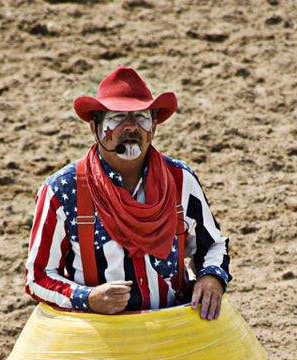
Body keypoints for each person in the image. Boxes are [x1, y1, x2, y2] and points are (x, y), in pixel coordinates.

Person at [25, 66, 231, 319]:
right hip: (99, 339)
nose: (131, 127)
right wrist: (87, 298)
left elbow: (211, 245)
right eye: (118, 118)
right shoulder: (61, 191)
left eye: (141, 117)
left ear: (154, 127)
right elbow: (38, 276)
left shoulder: (180, 180)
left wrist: (211, 277)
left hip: (173, 329)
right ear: (95, 127)